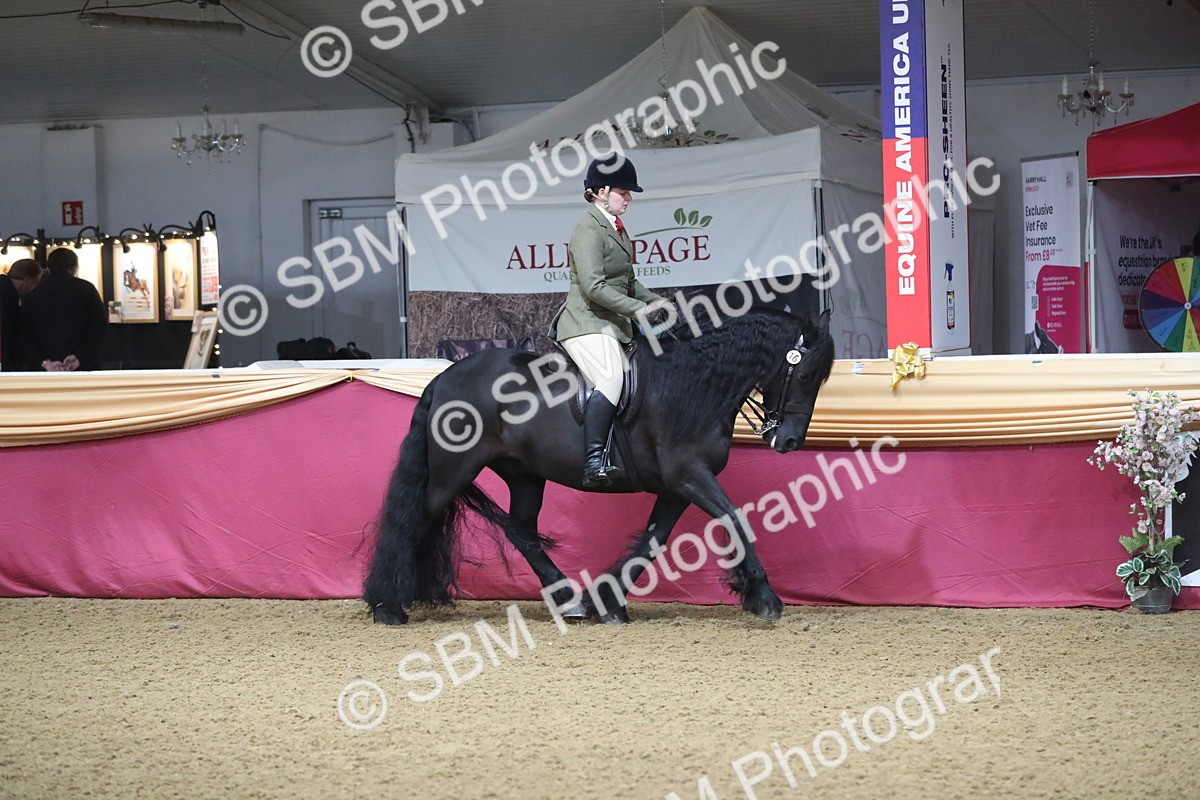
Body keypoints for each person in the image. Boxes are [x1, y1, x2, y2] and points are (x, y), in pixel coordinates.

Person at [549, 154, 669, 488]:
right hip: (585, 322)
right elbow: (594, 286)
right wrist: (638, 310)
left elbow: (629, 283)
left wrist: (657, 302)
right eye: (623, 191)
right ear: (602, 192)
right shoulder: (588, 230)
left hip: (610, 324)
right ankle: (593, 462)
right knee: (612, 378)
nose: (629, 198)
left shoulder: (617, 228)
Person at [22, 247, 107, 371]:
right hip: (83, 366)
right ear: (74, 269)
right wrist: (80, 357)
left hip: (45, 370)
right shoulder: (86, 289)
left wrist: (45, 362)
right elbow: (99, 326)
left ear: (49, 267)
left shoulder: (34, 293)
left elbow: (26, 334)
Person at [0, 259, 44, 371]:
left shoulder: (5, 289)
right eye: (36, 282)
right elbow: (8, 331)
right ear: (27, 280)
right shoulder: (7, 296)